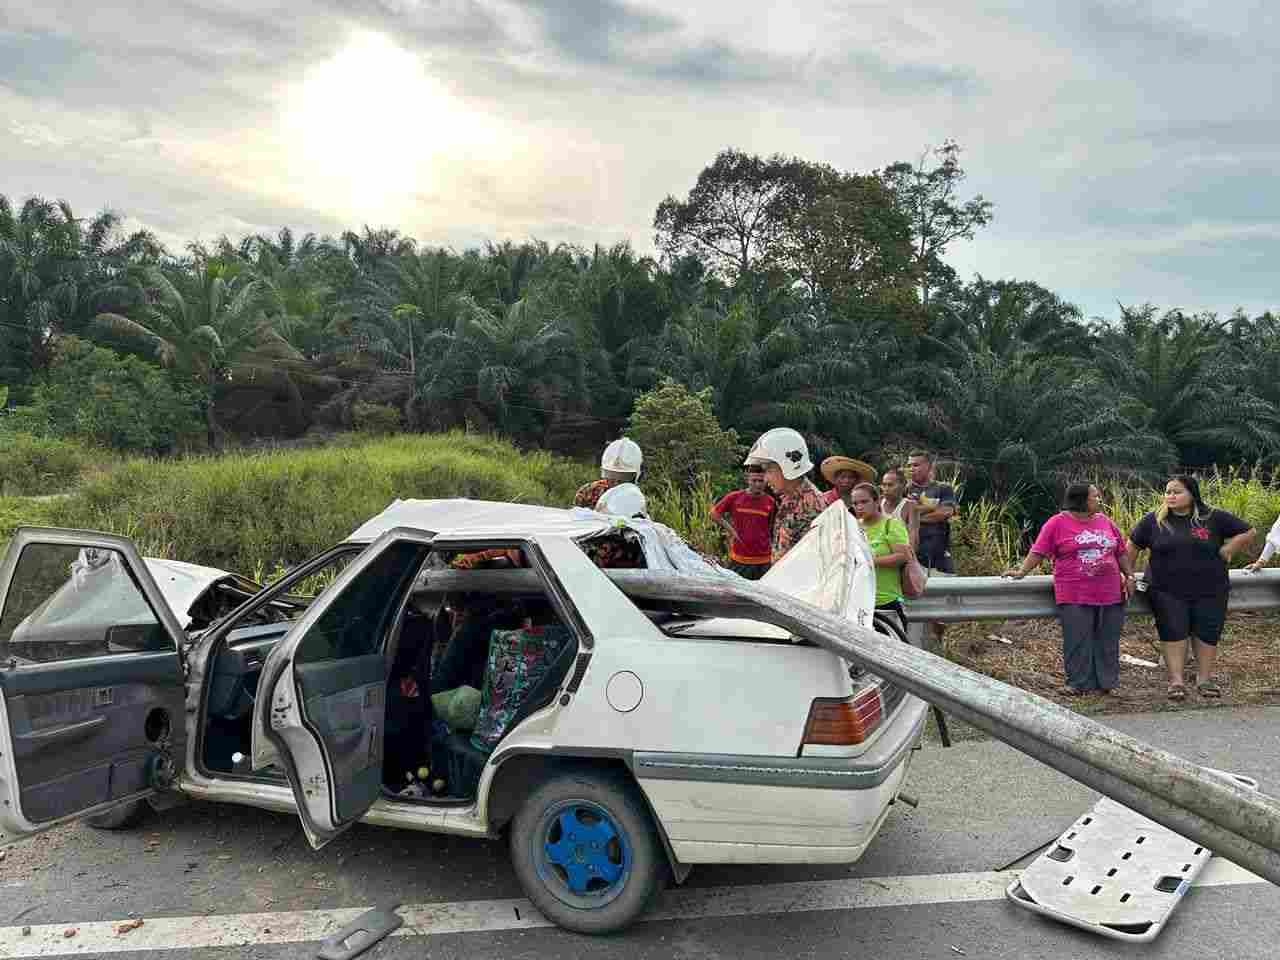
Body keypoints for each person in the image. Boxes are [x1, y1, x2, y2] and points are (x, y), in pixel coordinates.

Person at [1127, 475, 1255, 701]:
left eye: (1177, 492)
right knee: (1172, 630)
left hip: (1211, 588)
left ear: (1192, 494)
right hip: (1165, 589)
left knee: (1207, 632)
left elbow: (1248, 531)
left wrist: (1229, 549)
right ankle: (1176, 682)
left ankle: (1204, 680)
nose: (1171, 496)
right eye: (1168, 492)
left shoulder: (1212, 517)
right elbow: (1132, 546)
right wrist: (1127, 574)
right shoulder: (1154, 521)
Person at [1003, 483, 1134, 696]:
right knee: (1077, 639)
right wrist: (1022, 572)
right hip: (1075, 592)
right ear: (1081, 499)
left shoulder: (1105, 521)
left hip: (1110, 592)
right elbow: (1039, 551)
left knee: (1108, 639)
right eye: (1095, 496)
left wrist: (1129, 576)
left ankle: (1107, 683)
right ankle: (1078, 683)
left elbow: (1120, 552)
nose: (1099, 500)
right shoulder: (1057, 523)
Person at [743, 427, 828, 563]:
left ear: (787, 466)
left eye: (769, 470)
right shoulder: (790, 498)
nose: (765, 479)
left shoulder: (811, 508)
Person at [849, 482, 911, 627]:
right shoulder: (853, 527)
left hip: (886, 601)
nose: (859, 507)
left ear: (877, 501)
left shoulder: (891, 524)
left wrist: (870, 561)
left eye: (864, 502)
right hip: (859, 602)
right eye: (855, 503)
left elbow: (903, 556)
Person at [710, 465, 776, 580]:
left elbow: (773, 528)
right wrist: (731, 531)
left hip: (764, 559)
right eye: (754, 480)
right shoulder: (734, 497)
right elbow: (714, 514)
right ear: (747, 480)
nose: (757, 484)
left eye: (761, 481)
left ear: (766, 480)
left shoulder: (771, 502)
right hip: (739, 558)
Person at [906, 450, 956, 573]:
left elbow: (945, 513)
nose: (912, 469)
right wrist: (931, 509)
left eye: (916, 465)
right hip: (911, 555)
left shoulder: (943, 488)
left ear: (929, 466)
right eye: (909, 465)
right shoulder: (903, 490)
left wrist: (914, 517)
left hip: (938, 556)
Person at [574, 437, 642, 509]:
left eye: (622, 479)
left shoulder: (636, 499)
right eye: (612, 477)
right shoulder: (588, 492)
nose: (616, 483)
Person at [880, 467, 920, 549]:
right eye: (884, 485)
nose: (886, 489)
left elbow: (913, 536)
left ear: (903, 486)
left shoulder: (910, 506)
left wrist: (910, 558)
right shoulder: (878, 501)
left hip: (901, 551)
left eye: (890, 485)